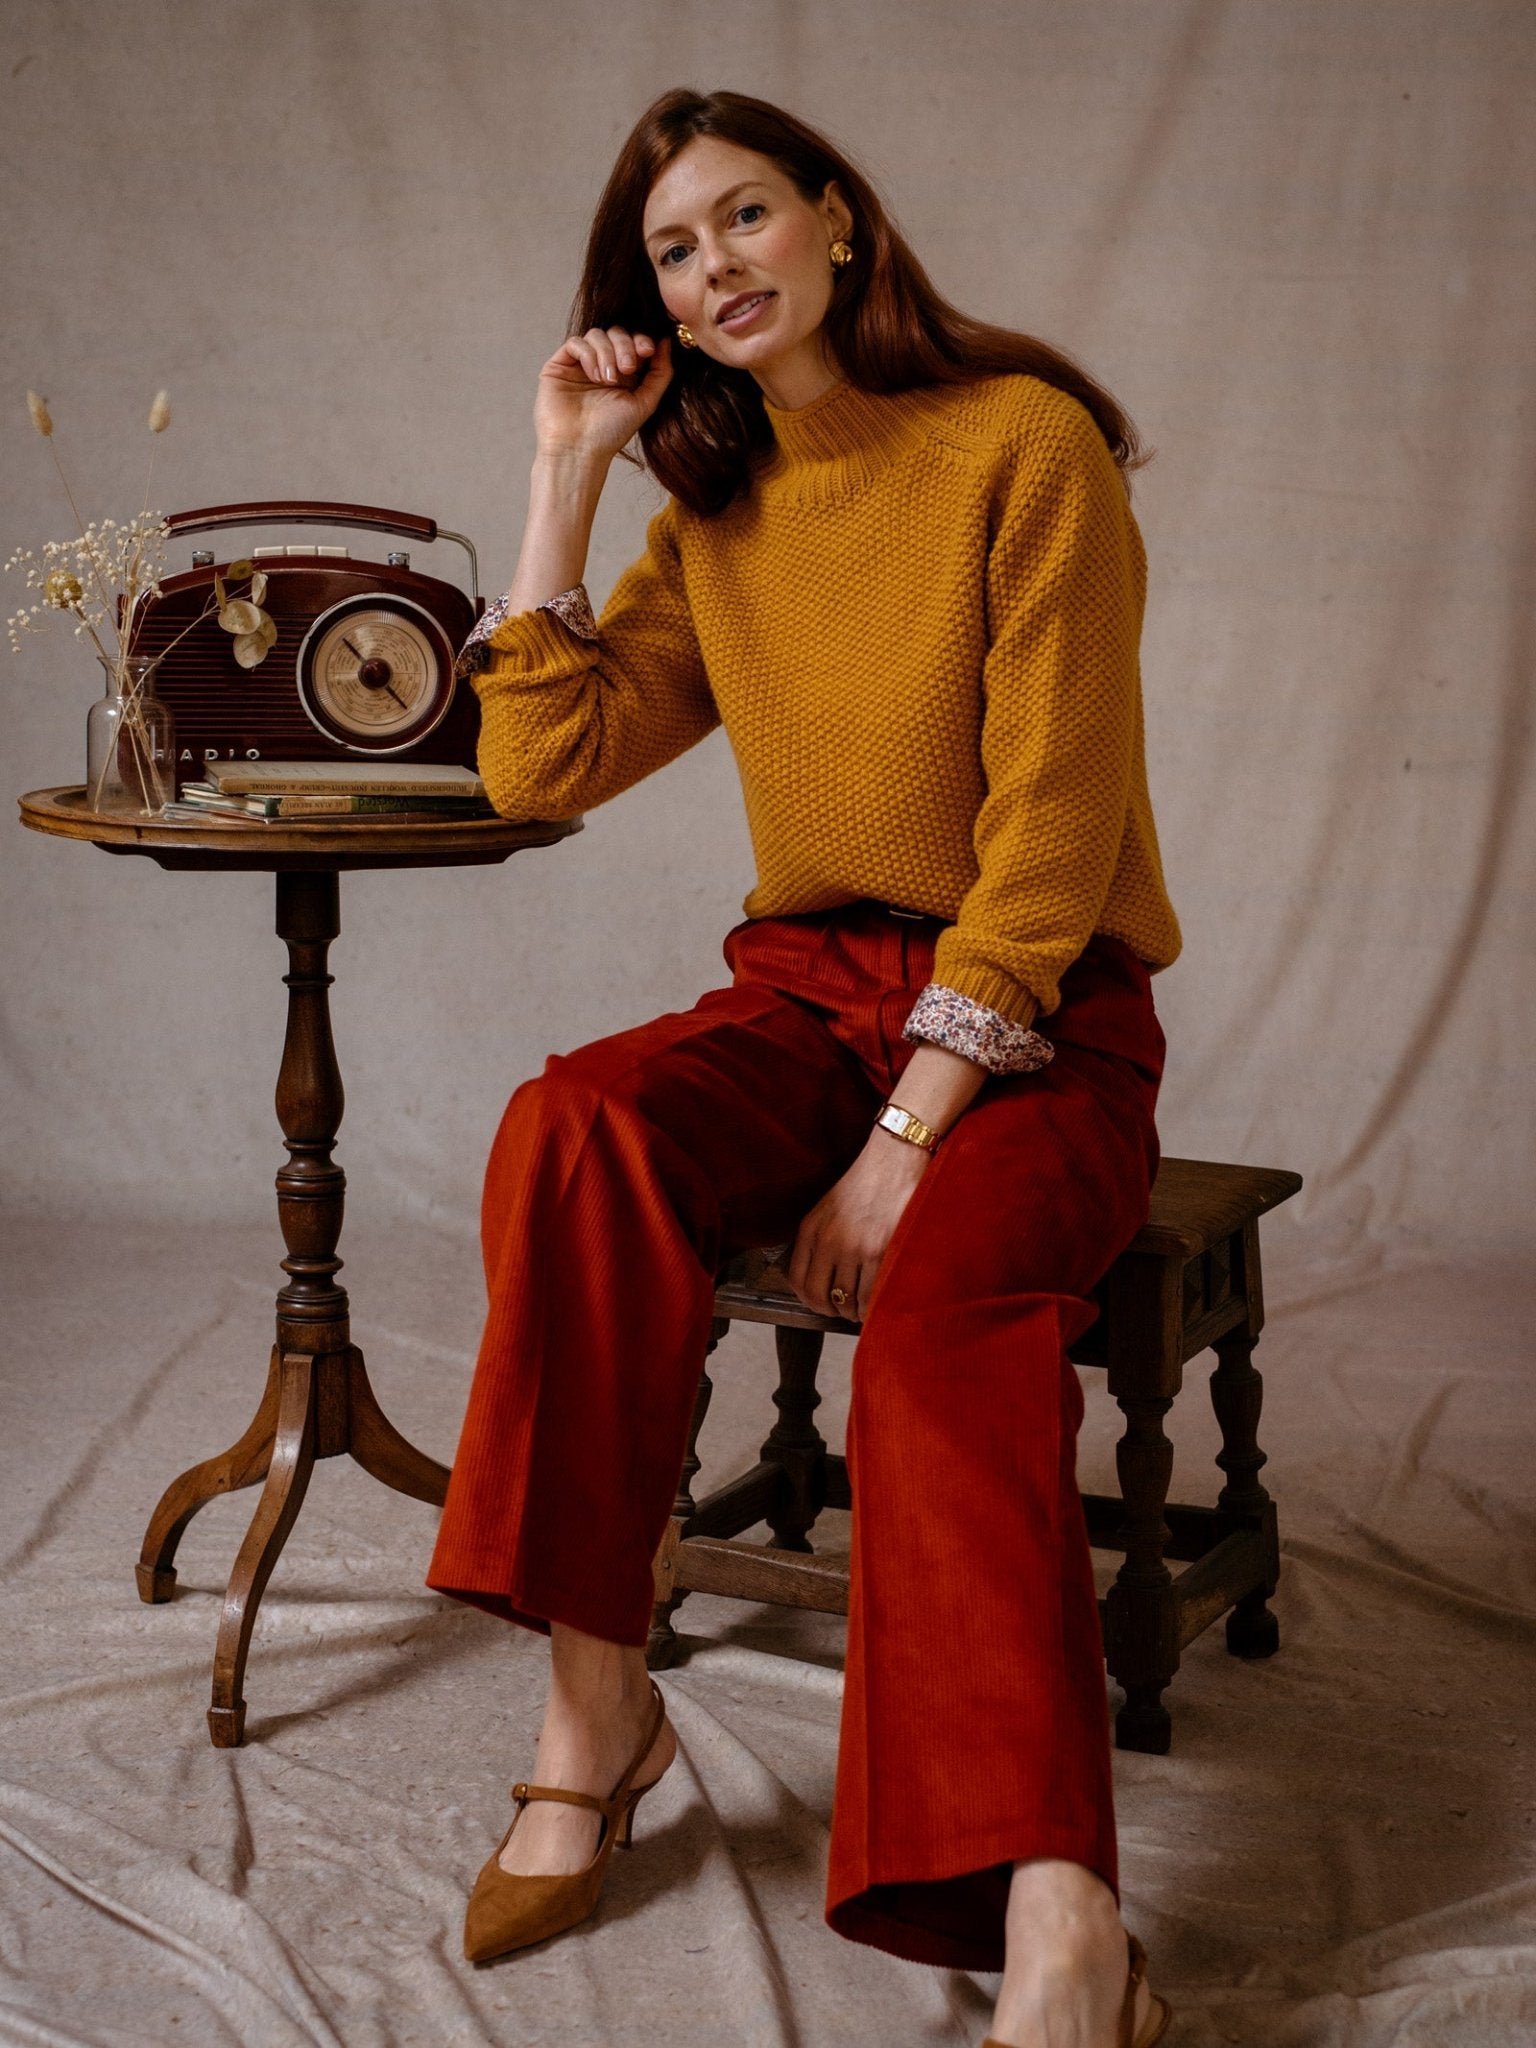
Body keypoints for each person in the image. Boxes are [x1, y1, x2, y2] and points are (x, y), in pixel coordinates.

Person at [428, 84, 1180, 2048]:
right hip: (808, 995)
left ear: (838, 223)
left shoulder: (1027, 450)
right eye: (675, 252)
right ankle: (600, 1711)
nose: (718, 269)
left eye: (745, 218)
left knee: (941, 1327)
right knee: (570, 1127)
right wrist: (563, 473)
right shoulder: (725, 509)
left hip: (1040, 1019)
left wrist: (910, 1132)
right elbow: (534, 767)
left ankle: (1061, 1923)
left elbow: (1056, 829)